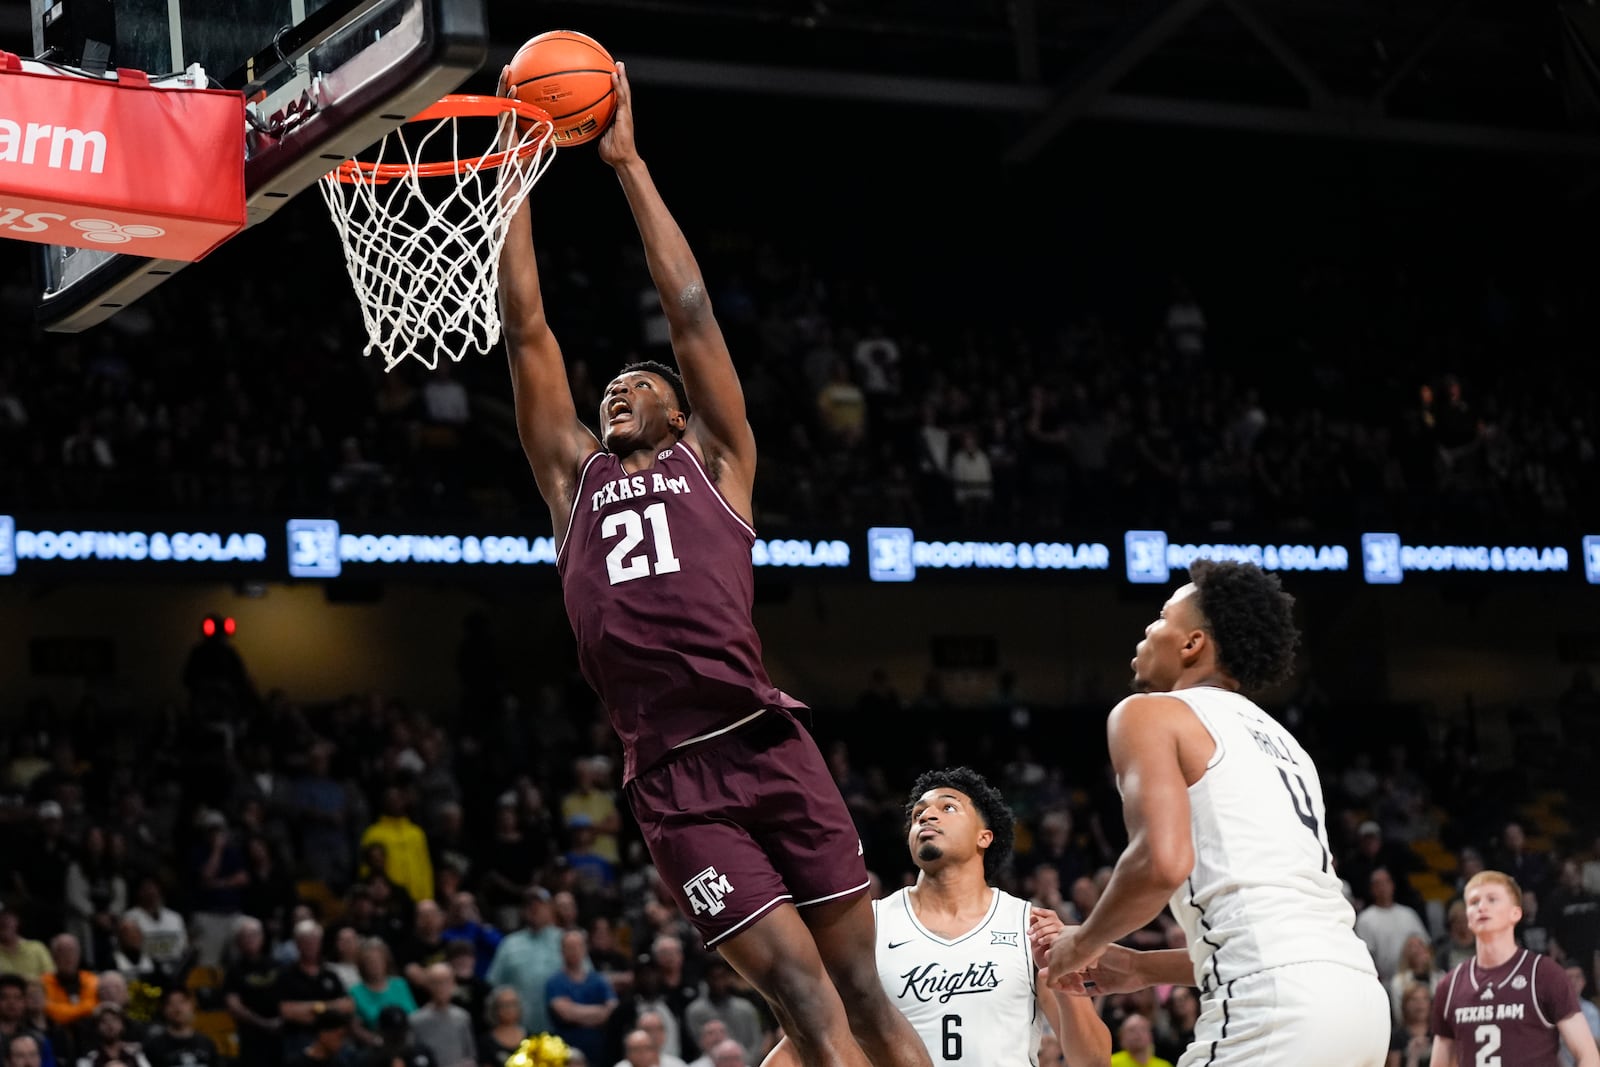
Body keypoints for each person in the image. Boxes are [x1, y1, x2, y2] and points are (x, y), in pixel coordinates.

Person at [495, 59, 932, 1067]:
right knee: (802, 1002)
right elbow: (528, 333)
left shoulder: (719, 462)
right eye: (609, 386)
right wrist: (515, 185)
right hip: (674, 778)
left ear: (681, 412)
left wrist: (627, 162)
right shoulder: (573, 479)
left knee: (864, 992)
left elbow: (687, 308)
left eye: (639, 383)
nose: (617, 390)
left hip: (767, 740)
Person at [1033, 560, 1388, 1065]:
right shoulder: (1285, 743)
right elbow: (1273, 923)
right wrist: (1142, 968)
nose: (1148, 628)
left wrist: (1083, 943)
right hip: (1359, 1000)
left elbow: (1161, 860)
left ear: (1191, 643)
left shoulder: (1149, 712)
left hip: (1274, 1007)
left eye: (1160, 616)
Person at [769, 767, 1110, 1066]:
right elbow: (805, 1040)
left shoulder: (1030, 926)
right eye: (918, 814)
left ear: (985, 836)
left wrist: (1062, 973)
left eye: (948, 807)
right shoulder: (867, 926)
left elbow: (1093, 1062)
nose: (927, 816)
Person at [1430, 871, 1599, 1067]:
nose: (1482, 907)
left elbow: (1588, 1055)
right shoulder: (1449, 985)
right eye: (1474, 902)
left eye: (1492, 899)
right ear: (1467, 917)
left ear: (1515, 913)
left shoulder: (1544, 973)